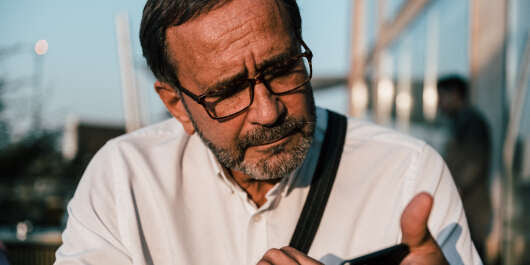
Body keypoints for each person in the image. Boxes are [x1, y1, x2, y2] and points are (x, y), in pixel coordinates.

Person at [55, 0, 481, 264]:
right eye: (227, 92)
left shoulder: (407, 174)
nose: (268, 111)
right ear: (176, 105)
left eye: (282, 70)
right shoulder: (124, 180)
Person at [437, 75, 492, 261]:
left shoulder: (472, 122)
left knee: (471, 255)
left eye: (442, 96)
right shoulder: (459, 122)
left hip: (472, 208)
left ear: (455, 95)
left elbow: (474, 163)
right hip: (467, 206)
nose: (439, 102)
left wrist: (456, 188)